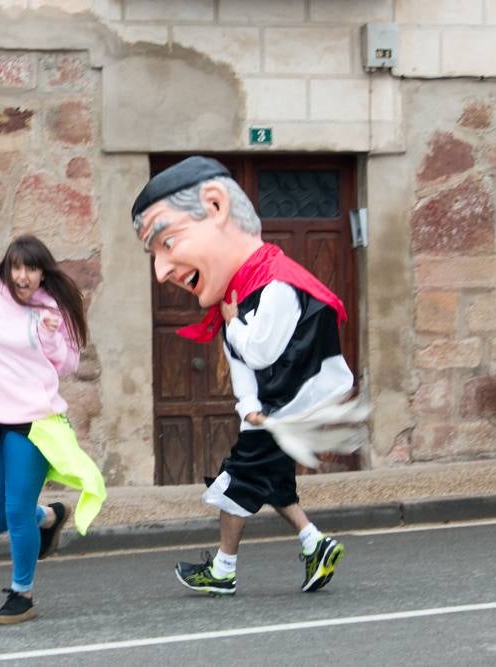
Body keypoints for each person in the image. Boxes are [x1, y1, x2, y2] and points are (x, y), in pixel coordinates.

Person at [130, 156, 353, 596]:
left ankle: (223, 569)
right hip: (267, 414)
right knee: (273, 485)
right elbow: (241, 362)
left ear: (216, 207)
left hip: (283, 412)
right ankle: (316, 543)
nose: (160, 272)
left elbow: (260, 349)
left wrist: (233, 323)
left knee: (237, 484)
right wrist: (247, 407)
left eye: (168, 242)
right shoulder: (240, 291)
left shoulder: (277, 284)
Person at [0, 235, 107, 625]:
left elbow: (66, 364)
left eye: (31, 269)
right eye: (16, 267)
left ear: (42, 273)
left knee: (16, 510)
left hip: (32, 421)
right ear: (7, 268)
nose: (23, 276)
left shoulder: (52, 307)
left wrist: (49, 332)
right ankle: (48, 518)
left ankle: (23, 592)